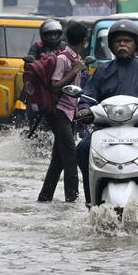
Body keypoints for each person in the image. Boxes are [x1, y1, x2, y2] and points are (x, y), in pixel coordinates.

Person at [76, 19, 138, 206]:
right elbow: (87, 95)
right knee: (83, 147)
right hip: (105, 127)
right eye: (118, 41)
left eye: (127, 41)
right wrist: (83, 109)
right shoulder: (102, 71)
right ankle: (91, 196)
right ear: (112, 46)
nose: (122, 44)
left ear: (135, 44)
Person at [37, 21, 88, 203]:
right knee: (70, 155)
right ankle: (72, 200)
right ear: (85, 40)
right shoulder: (64, 59)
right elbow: (55, 86)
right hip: (59, 112)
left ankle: (45, 198)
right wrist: (74, 71)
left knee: (58, 160)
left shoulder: (76, 59)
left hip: (69, 113)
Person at [24, 19, 65, 136]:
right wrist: (31, 62)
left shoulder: (64, 47)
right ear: (43, 35)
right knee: (34, 110)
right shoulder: (37, 47)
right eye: (49, 34)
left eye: (55, 34)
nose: (53, 37)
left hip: (59, 86)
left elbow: (74, 59)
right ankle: (32, 132)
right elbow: (28, 65)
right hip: (39, 86)